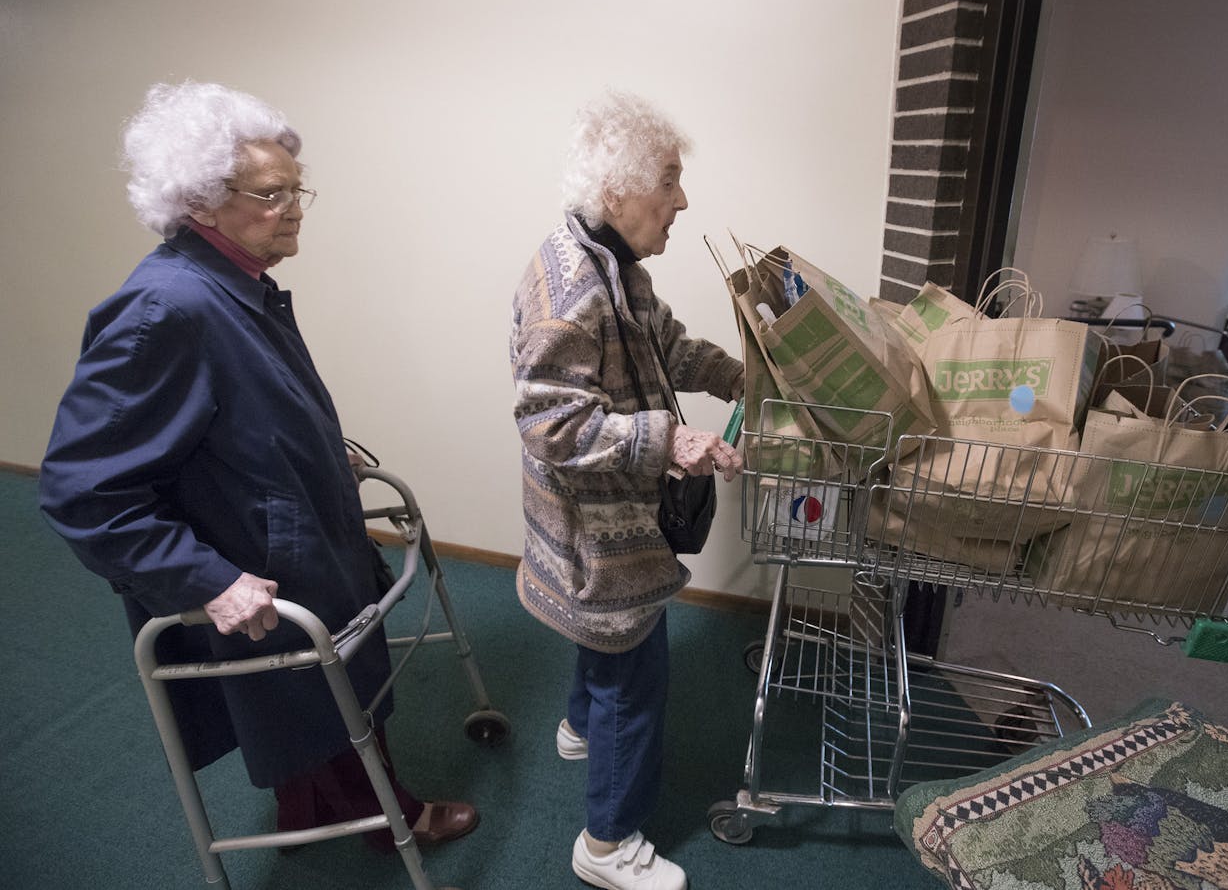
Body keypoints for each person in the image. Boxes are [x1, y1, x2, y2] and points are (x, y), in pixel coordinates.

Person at [38, 81, 477, 855]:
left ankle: (312, 811)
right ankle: (389, 819)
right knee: (322, 695)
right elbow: (83, 488)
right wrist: (206, 580)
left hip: (286, 528)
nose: (296, 206)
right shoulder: (164, 310)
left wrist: (313, 450)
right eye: (275, 194)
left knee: (314, 693)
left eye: (296, 187)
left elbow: (234, 414)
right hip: (257, 564)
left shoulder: (234, 283)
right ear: (202, 203)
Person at [509, 90, 744, 890]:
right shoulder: (577, 284)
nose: (682, 200)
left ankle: (579, 723)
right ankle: (607, 844)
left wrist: (743, 376)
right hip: (596, 529)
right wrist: (669, 439)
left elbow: (666, 346)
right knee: (635, 672)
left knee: (602, 649)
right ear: (617, 190)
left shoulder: (614, 263)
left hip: (598, 519)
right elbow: (551, 425)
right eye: (669, 181)